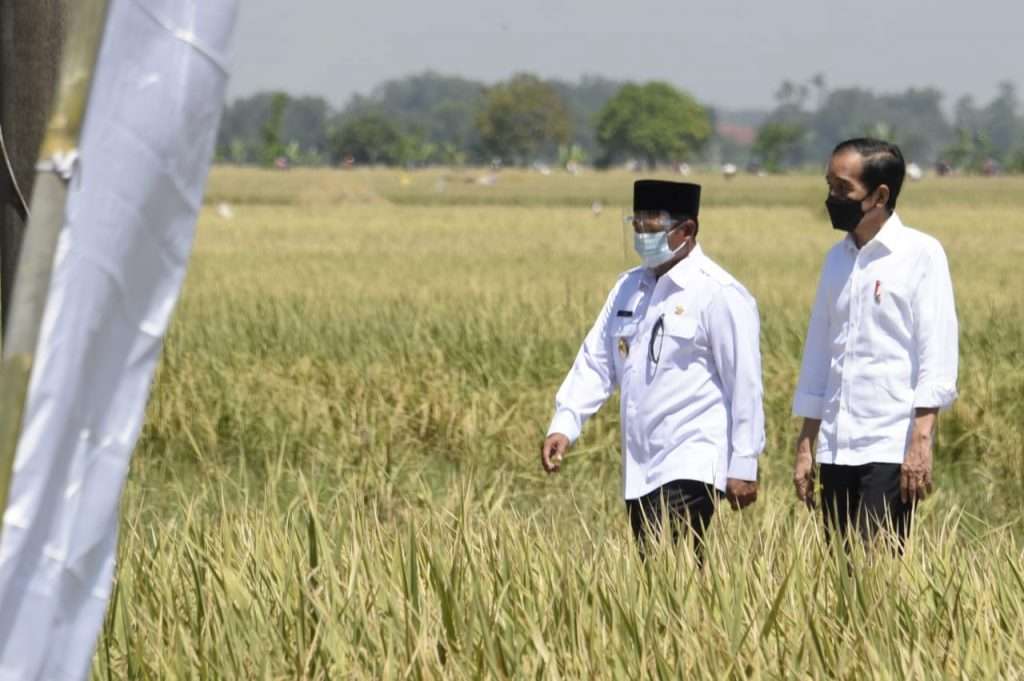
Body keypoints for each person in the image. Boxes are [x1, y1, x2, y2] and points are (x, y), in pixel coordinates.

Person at [541, 180, 765, 558]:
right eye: (637, 225)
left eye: (652, 227)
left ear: (687, 230)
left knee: (670, 562)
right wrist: (566, 423)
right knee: (657, 571)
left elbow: (743, 382)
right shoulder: (629, 288)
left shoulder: (719, 293)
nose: (642, 235)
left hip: (692, 456)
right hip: (640, 462)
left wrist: (744, 462)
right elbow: (597, 360)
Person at [792, 138, 959, 547]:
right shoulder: (837, 259)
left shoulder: (921, 254)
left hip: (890, 443)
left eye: (843, 189)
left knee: (877, 571)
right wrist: (806, 442)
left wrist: (921, 441)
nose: (832, 197)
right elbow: (819, 354)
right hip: (836, 444)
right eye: (829, 185)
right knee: (839, 571)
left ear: (879, 195)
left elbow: (935, 351)